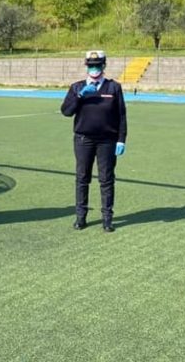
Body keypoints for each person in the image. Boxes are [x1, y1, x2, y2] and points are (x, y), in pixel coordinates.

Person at [61, 50, 127, 232]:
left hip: (107, 140)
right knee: (82, 178)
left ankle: (107, 218)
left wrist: (121, 139)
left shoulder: (114, 87)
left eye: (97, 65)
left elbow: (121, 115)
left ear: (104, 66)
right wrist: (80, 95)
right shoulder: (77, 87)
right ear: (86, 67)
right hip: (84, 140)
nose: (94, 68)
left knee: (106, 180)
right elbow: (66, 111)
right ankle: (81, 217)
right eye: (91, 65)